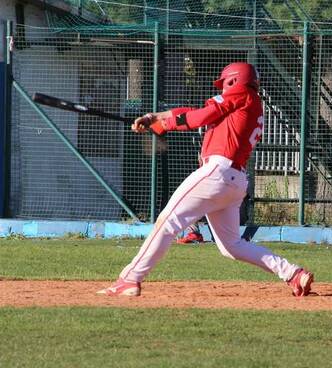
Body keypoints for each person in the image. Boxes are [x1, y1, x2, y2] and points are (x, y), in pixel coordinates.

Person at [97, 62, 314, 297]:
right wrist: (155, 118)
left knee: (167, 221)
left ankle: (130, 279)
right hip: (235, 180)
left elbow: (200, 116)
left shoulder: (242, 94)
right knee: (232, 246)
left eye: (224, 84)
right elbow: (192, 112)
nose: (222, 90)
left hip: (218, 172)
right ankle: (292, 274)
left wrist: (165, 124)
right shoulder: (245, 103)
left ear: (233, 81)